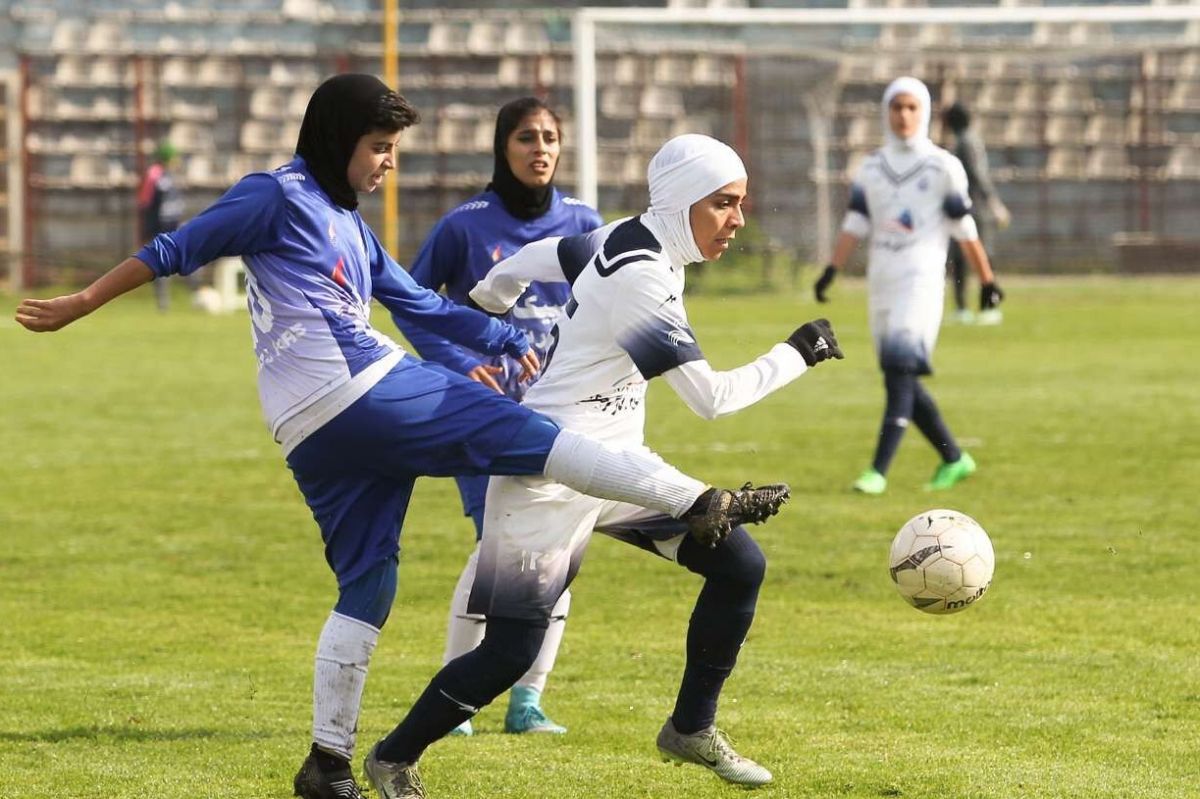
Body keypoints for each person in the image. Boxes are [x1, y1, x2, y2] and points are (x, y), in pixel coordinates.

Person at [14, 75, 791, 799]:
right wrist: (83, 299)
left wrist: (499, 336)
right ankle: (698, 496)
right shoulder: (274, 196)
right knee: (525, 430)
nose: (388, 163)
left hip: (309, 431)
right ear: (336, 138)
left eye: (393, 150)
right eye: (379, 148)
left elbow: (417, 303)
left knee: (369, 585)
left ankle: (328, 762)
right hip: (359, 391)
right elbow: (175, 248)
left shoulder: (350, 226)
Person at [360, 134, 844, 799]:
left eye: (740, 204)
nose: (736, 219)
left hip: (618, 466)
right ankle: (393, 756)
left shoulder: (624, 234)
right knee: (509, 653)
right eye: (724, 204)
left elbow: (541, 254)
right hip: (548, 470)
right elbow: (711, 399)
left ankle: (690, 727)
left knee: (739, 565)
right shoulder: (644, 277)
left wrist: (492, 295)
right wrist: (798, 351)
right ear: (680, 203)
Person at [393, 97, 602, 737]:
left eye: (549, 138)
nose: (539, 148)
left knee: (556, 554)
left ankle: (527, 699)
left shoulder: (585, 223)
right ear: (501, 147)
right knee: (498, 550)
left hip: (567, 416)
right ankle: (457, 698)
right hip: (486, 416)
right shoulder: (465, 226)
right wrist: (458, 360)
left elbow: (606, 308)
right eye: (525, 138)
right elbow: (412, 303)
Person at [811, 77, 1001, 496]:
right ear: (885, 112)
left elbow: (964, 226)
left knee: (899, 372)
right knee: (900, 378)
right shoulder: (872, 168)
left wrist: (987, 280)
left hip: (921, 280)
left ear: (926, 112)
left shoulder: (942, 166)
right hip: (881, 282)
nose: (904, 116)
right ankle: (954, 458)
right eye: (897, 107)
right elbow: (855, 223)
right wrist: (831, 270)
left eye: (912, 107)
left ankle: (877, 471)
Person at [943, 101, 1009, 325]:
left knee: (970, 257)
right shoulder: (968, 141)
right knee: (977, 256)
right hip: (973, 206)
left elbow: (978, 175)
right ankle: (981, 307)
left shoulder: (965, 142)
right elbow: (980, 175)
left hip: (972, 207)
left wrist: (993, 203)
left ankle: (975, 308)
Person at [136, 139, 189, 311]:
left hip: (175, 226)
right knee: (161, 263)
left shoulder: (172, 176)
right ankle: (163, 303)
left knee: (186, 260)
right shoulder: (154, 174)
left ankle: (195, 293)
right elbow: (145, 202)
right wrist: (146, 229)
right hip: (159, 228)